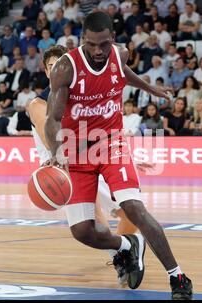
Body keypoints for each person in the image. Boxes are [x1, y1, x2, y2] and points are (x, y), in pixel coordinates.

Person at [44, 12, 192, 299]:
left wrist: (151, 88)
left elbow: (122, 74)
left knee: (135, 207)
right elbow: (52, 118)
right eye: (91, 45)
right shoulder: (66, 67)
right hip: (75, 150)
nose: (97, 51)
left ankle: (178, 277)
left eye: (103, 44)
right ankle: (127, 246)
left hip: (111, 145)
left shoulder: (120, 54)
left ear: (112, 38)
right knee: (82, 232)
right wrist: (57, 150)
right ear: (81, 39)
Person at [27, 45, 140, 284]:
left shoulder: (84, 97)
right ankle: (120, 255)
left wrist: (126, 156)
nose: (58, 69)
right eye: (52, 66)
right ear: (47, 72)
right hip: (65, 171)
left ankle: (126, 251)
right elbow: (54, 139)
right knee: (93, 220)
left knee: (130, 214)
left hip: (96, 160)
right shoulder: (37, 103)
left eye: (62, 64)